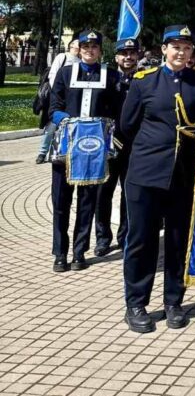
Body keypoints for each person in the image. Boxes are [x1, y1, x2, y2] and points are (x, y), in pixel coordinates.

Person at [120, 25, 195, 333]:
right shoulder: (144, 82)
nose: (180, 52)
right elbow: (127, 125)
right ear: (163, 49)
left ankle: (173, 301)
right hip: (146, 174)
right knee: (141, 241)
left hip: (183, 175)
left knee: (177, 242)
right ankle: (136, 304)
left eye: (186, 47)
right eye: (175, 46)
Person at [49, 30, 122, 272]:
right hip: (67, 148)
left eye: (94, 47)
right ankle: (60, 253)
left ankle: (79, 251)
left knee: (87, 202)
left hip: (94, 150)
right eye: (85, 46)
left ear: (101, 50)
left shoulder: (111, 76)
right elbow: (54, 104)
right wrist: (65, 120)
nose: (90, 50)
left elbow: (117, 109)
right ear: (78, 49)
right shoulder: (66, 72)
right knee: (61, 201)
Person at [94, 36, 140, 256]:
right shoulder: (107, 79)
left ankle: (125, 236)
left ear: (138, 55)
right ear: (116, 56)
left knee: (128, 194)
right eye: (124, 53)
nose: (128, 57)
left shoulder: (144, 79)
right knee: (103, 192)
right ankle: (103, 238)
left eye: (132, 53)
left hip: (134, 146)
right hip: (109, 144)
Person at [35, 37, 80, 164]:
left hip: (72, 99)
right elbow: (53, 74)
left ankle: (61, 152)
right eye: (78, 43)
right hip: (58, 97)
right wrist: (58, 93)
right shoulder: (63, 56)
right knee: (52, 125)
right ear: (71, 45)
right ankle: (42, 152)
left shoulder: (82, 60)